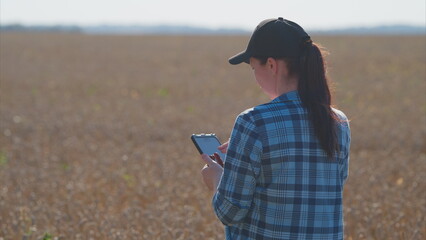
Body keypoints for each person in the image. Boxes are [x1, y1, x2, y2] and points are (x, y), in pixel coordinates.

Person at [200, 17, 351, 240]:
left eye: (253, 67)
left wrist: (216, 177)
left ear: (271, 65)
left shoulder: (253, 122)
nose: (254, 75)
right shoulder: (338, 122)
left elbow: (229, 212)